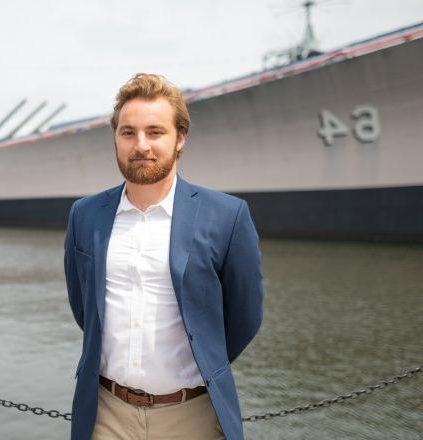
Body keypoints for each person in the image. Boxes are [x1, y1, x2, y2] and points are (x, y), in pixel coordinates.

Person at [64, 73, 263, 440]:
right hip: (106, 414)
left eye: (155, 132)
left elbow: (246, 316)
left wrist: (204, 355)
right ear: (116, 138)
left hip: (193, 415)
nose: (141, 145)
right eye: (128, 132)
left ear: (180, 138)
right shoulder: (85, 215)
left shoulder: (227, 216)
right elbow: (84, 307)